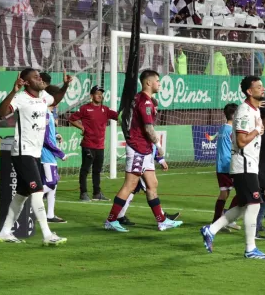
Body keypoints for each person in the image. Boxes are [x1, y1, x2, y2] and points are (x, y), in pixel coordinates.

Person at [0, 68, 72, 245]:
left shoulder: (43, 95)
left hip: (35, 153)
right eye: (36, 77)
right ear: (27, 82)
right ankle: (47, 235)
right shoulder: (20, 98)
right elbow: (1, 114)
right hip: (23, 152)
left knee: (21, 194)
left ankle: (5, 232)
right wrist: (14, 90)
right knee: (37, 190)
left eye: (39, 76)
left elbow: (57, 98)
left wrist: (66, 85)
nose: (40, 79)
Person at [200, 76, 265, 260]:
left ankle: (211, 229)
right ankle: (250, 249)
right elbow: (240, 142)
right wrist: (257, 130)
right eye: (258, 87)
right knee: (254, 205)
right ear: (249, 91)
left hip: (250, 165)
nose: (262, 90)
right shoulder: (244, 112)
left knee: (242, 206)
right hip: (243, 165)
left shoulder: (255, 110)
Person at [105, 70, 183, 232]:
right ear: (148, 83)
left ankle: (162, 221)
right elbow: (148, 128)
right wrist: (159, 147)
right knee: (130, 185)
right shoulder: (145, 103)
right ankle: (111, 220)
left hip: (144, 149)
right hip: (138, 148)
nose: (160, 84)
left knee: (152, 184)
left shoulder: (139, 99)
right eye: (158, 81)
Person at [69, 85, 117, 201]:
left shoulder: (105, 110)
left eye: (101, 93)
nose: (100, 95)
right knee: (85, 169)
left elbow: (118, 116)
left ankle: (97, 193)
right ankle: (83, 193)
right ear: (91, 96)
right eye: (97, 93)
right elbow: (71, 119)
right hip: (88, 144)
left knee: (97, 171)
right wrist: (82, 127)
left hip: (100, 145)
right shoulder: (85, 108)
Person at [115, 144, 180, 226]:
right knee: (147, 188)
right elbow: (149, 140)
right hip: (140, 158)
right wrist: (160, 159)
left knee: (133, 188)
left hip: (142, 157)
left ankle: (118, 217)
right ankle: (162, 217)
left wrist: (160, 158)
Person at [211, 103, 241, 231]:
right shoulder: (231, 131)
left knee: (226, 193)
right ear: (234, 115)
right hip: (228, 166)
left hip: (222, 165)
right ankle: (224, 220)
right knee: (240, 193)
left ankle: (221, 220)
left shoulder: (223, 128)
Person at [41, 85, 67, 223]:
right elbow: (44, 139)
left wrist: (56, 134)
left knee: (54, 185)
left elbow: (47, 133)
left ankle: (50, 214)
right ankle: (27, 198)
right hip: (46, 155)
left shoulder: (50, 114)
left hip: (49, 154)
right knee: (50, 184)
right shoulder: (45, 114)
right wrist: (60, 153)